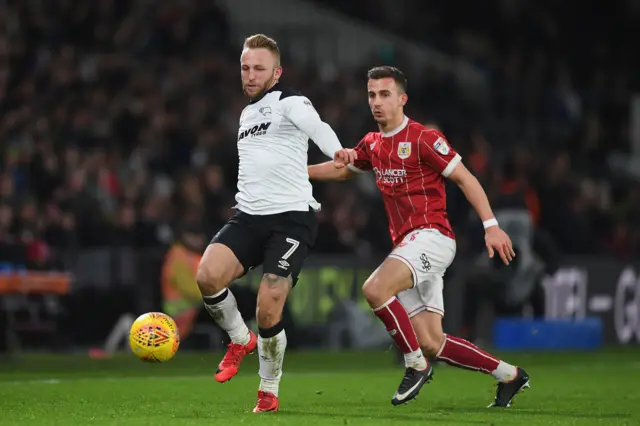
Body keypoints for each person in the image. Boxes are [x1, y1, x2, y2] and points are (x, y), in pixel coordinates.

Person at [308, 66, 529, 408]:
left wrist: (491, 225)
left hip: (433, 237)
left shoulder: (424, 138)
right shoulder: (373, 143)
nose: (377, 102)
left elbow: (466, 179)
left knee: (374, 288)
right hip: (408, 245)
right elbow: (343, 170)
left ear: (402, 99)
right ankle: (509, 375)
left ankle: (415, 366)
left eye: (385, 94)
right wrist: (299, 172)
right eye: (372, 95)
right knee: (431, 341)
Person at [196, 34, 354, 413]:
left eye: (259, 69)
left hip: (291, 220)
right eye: (245, 68)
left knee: (268, 307)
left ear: (276, 71)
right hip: (249, 217)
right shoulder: (246, 113)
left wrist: (336, 150)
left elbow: (316, 126)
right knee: (207, 276)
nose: (250, 76)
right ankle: (239, 339)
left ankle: (268, 389)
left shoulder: (290, 101)